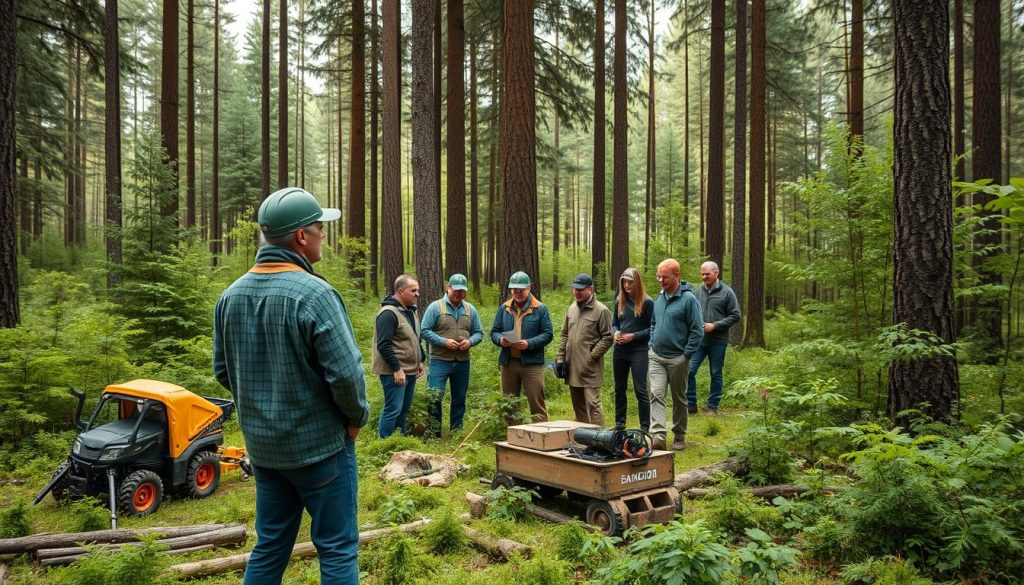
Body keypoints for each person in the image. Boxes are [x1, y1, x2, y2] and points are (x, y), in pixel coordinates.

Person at [213, 187, 370, 584]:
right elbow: (347, 375)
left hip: (264, 452)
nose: (323, 235)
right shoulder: (315, 294)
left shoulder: (230, 296)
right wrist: (355, 419)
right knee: (336, 548)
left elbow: (223, 371)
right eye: (319, 228)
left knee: (269, 545)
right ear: (302, 236)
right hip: (321, 449)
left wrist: (261, 405)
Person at [647, 258, 704, 451]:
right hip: (656, 356)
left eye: (665, 277)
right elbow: (653, 323)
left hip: (678, 359)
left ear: (677, 276)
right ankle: (659, 436)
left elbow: (698, 331)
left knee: (679, 398)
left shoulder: (689, 300)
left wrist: (685, 355)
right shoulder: (660, 297)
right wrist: (651, 343)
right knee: (655, 394)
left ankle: (679, 435)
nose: (661, 280)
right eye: (658, 277)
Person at [420, 273, 484, 436]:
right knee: (434, 396)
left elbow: (479, 332)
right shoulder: (435, 307)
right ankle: (434, 431)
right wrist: (443, 342)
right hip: (439, 360)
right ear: (448, 288)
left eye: (462, 291)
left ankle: (456, 430)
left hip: (462, 361)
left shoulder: (471, 310)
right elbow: (424, 330)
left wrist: (470, 342)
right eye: (456, 290)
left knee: (459, 397)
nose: (459, 294)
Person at [490, 271, 554, 425]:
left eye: (521, 290)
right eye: (514, 290)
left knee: (536, 401)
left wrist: (529, 343)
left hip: (532, 363)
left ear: (529, 288)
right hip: (509, 363)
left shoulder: (540, 308)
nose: (517, 293)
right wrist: (501, 340)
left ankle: (541, 437)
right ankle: (514, 437)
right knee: (510, 403)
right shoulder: (503, 308)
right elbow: (494, 332)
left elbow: (548, 334)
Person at [556, 273, 614, 426]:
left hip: (590, 367)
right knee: (578, 405)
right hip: (572, 365)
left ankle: (599, 438)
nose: (576, 292)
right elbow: (564, 334)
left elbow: (608, 337)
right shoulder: (571, 309)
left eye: (580, 289)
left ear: (591, 289)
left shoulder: (601, 310)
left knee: (593, 404)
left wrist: (592, 355)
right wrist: (560, 358)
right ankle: (583, 438)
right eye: (575, 289)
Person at [372, 274, 426, 438]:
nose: (417, 294)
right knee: (393, 409)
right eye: (413, 290)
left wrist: (420, 360)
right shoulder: (388, 313)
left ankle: (400, 445)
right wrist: (397, 369)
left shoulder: (410, 311)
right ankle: (385, 446)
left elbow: (414, 338)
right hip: (394, 372)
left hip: (409, 370)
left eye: (418, 290)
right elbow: (383, 345)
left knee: (403, 410)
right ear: (401, 291)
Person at [687, 261, 742, 415]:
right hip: (699, 340)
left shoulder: (727, 292)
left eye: (707, 274)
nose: (704, 277)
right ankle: (691, 404)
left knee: (715, 373)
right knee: (689, 371)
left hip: (718, 341)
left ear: (716, 273)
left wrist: (715, 325)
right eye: (702, 274)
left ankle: (713, 407)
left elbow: (736, 315)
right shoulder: (698, 291)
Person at [611, 267, 654, 431]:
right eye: (624, 282)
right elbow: (614, 323)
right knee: (619, 387)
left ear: (637, 282)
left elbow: (652, 329)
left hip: (639, 350)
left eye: (630, 282)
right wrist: (615, 333)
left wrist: (633, 336)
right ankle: (620, 423)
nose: (627, 285)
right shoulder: (619, 300)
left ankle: (645, 426)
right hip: (620, 349)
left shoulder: (647, 302)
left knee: (640, 389)